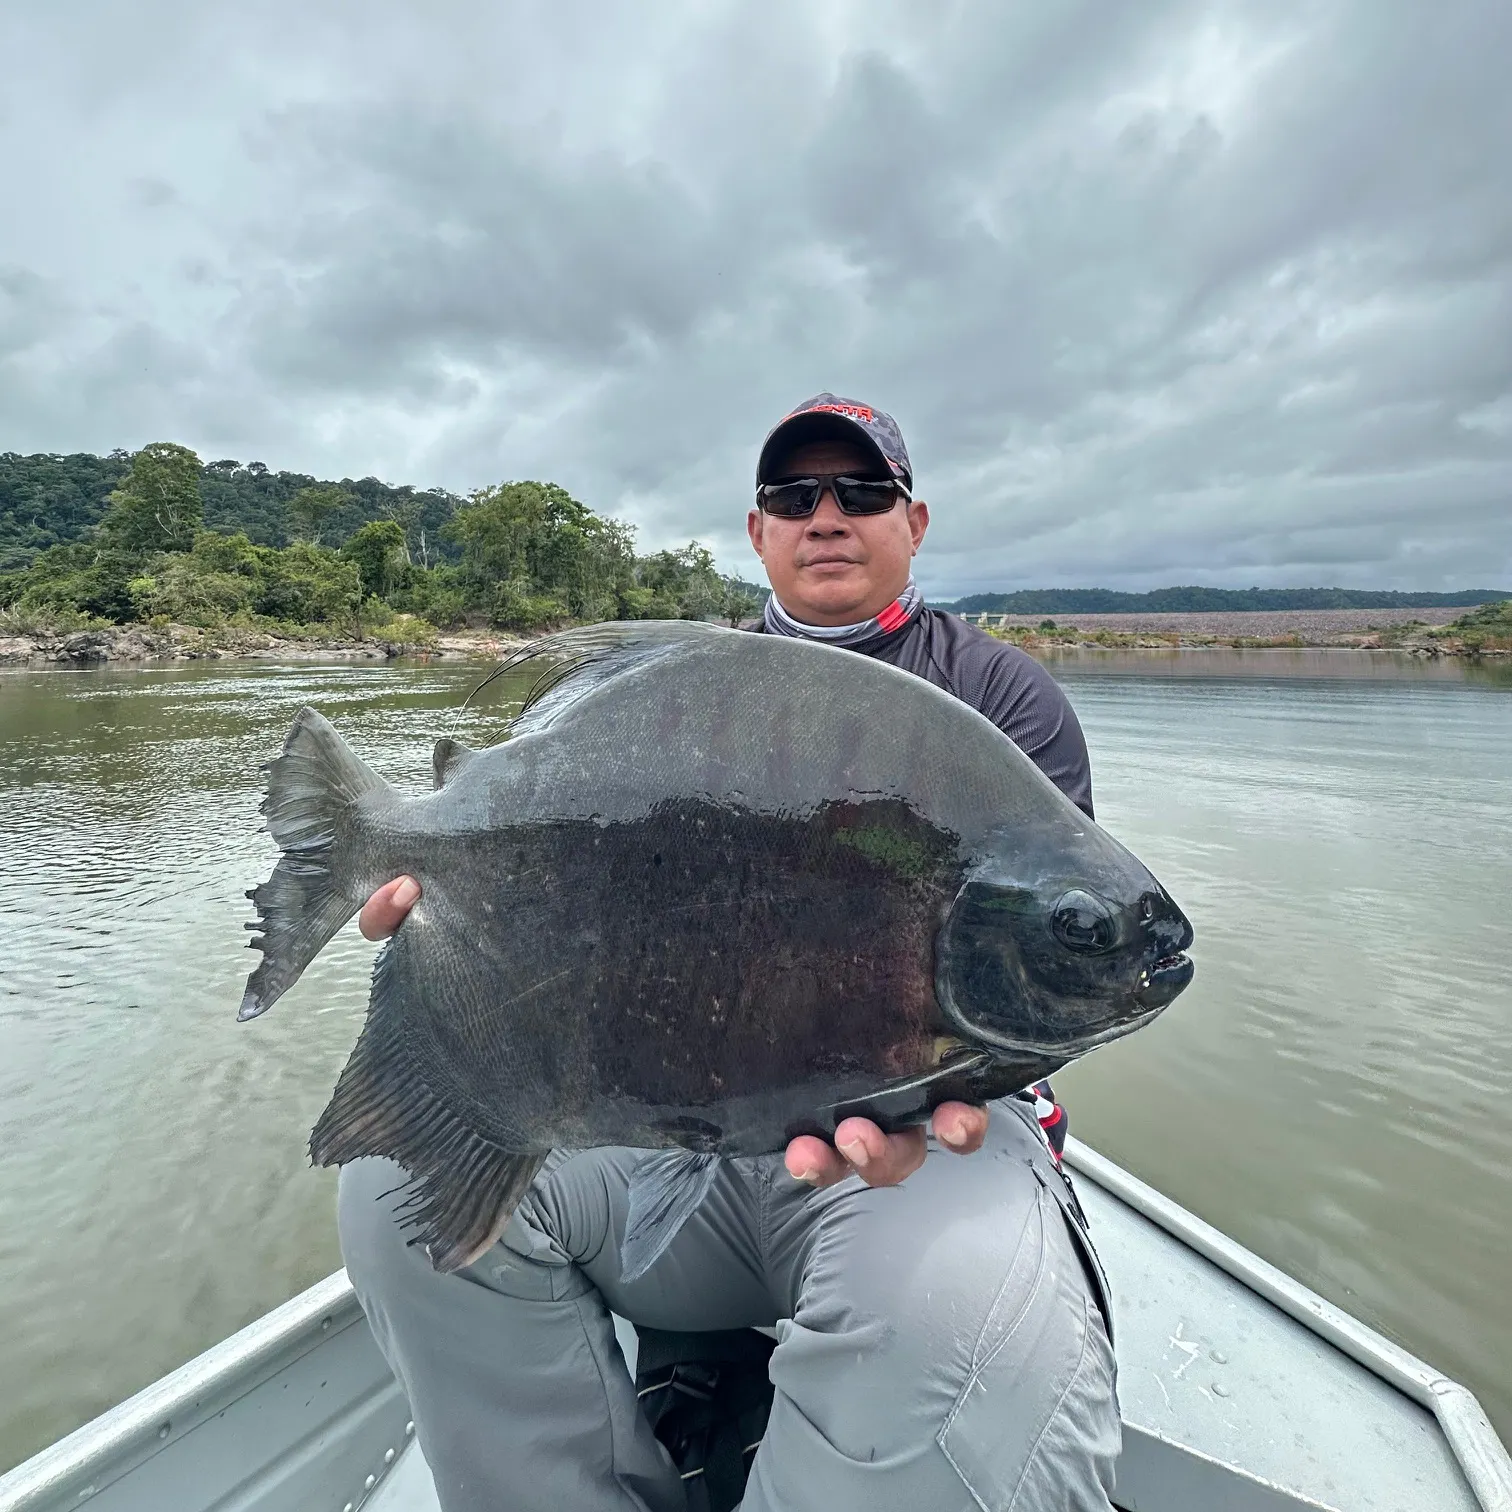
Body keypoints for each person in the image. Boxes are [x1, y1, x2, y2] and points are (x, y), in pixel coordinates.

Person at [337, 395, 1121, 1512]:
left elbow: (1053, 971)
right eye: (793, 496)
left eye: (862, 492)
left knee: (957, 1314)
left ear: (915, 520)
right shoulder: (662, 693)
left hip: (917, 1155)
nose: (828, 516)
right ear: (758, 534)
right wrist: (454, 923)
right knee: (391, 1184)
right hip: (670, 1141)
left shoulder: (1001, 700)